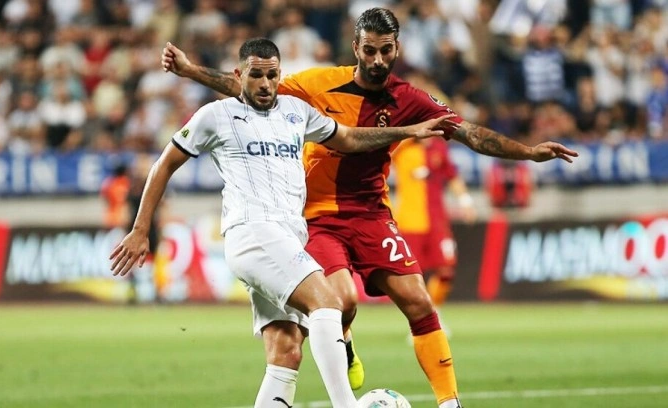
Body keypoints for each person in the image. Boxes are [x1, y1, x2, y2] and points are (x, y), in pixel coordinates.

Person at [160, 9, 578, 408]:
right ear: (356, 48)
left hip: (371, 213)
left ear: (397, 49)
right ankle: (344, 342)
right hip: (317, 216)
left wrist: (527, 152)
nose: (378, 60)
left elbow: (468, 132)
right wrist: (191, 70)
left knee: (419, 302)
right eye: (370, 50)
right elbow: (251, 88)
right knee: (340, 300)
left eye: (386, 50)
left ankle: (450, 401)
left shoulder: (410, 99)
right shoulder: (320, 83)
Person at [110, 38, 453, 408]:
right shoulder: (216, 115)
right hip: (253, 232)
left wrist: (406, 131)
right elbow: (164, 164)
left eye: (272, 75)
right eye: (256, 75)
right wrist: (140, 229)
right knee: (328, 303)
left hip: (288, 239)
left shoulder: (295, 111)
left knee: (286, 351)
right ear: (239, 75)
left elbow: (350, 138)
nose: (265, 84)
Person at [392, 137, 477, 328]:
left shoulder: (439, 148)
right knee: (413, 277)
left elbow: (452, 175)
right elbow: (383, 155)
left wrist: (465, 202)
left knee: (446, 271)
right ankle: (420, 321)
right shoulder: (402, 146)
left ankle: (433, 313)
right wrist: (408, 135)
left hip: (438, 222)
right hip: (410, 222)